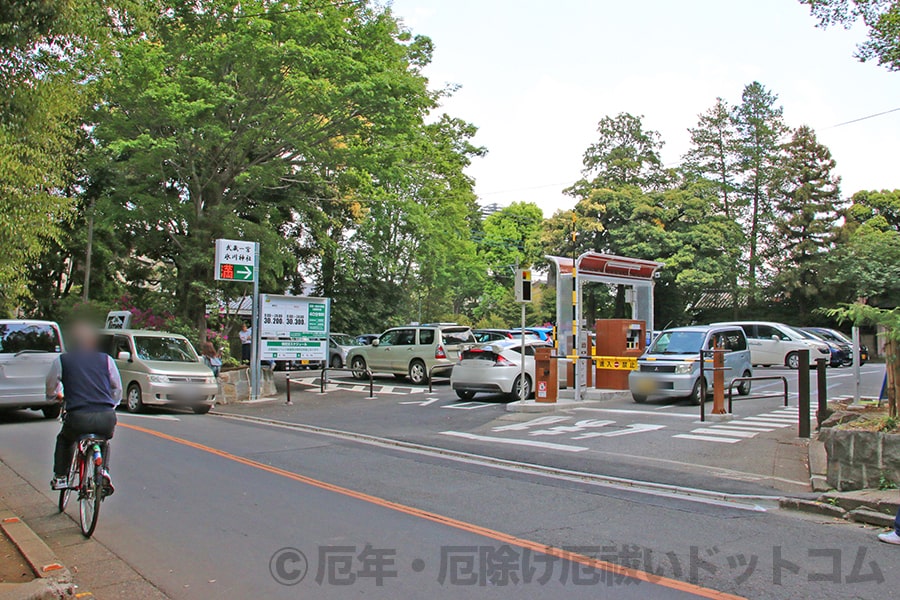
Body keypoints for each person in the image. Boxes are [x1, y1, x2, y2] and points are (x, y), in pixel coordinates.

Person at [46, 322, 121, 494]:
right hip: (106, 417)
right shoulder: (106, 360)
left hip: (78, 417)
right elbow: (117, 388)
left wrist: (54, 396)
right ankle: (103, 471)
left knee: (65, 439)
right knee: (103, 440)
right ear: (92, 342)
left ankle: (60, 477)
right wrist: (112, 404)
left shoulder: (63, 361)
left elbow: (51, 386)